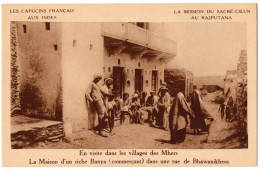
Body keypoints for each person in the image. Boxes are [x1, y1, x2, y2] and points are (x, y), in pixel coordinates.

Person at [85, 73, 108, 138]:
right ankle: (100, 131)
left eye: (99, 79)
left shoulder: (97, 85)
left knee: (105, 115)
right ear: (95, 78)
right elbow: (87, 93)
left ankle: (98, 128)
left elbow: (99, 92)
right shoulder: (91, 84)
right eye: (97, 78)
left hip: (101, 100)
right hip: (97, 101)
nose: (98, 80)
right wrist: (91, 100)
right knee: (101, 114)